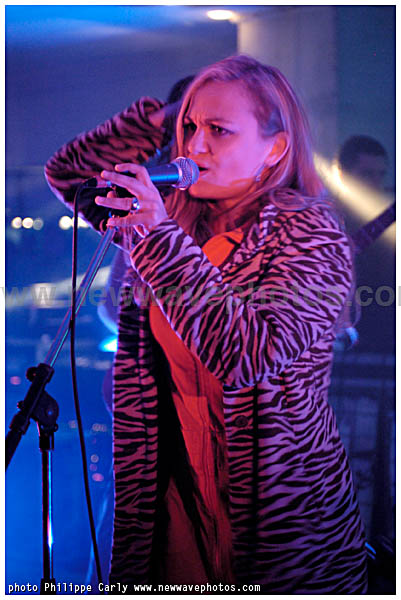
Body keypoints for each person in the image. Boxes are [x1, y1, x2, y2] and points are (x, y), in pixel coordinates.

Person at [45, 55, 367, 593]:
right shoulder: (168, 220)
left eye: (219, 130)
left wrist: (156, 238)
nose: (195, 146)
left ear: (275, 148)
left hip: (279, 527)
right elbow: (70, 175)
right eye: (190, 128)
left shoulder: (311, 236)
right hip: (175, 508)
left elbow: (248, 354)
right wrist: (156, 119)